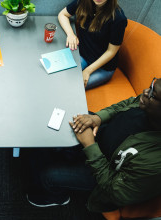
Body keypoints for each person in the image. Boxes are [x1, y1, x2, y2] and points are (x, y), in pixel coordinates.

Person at [26, 77, 161, 213]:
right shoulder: (147, 103)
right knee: (54, 126)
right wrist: (98, 117)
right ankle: (65, 155)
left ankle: (56, 197)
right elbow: (129, 103)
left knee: (47, 176)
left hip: (103, 172)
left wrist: (89, 145)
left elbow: (114, 193)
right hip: (100, 136)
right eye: (151, 85)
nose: (145, 91)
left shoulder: (155, 163)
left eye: (152, 94)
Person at [58, 0, 127, 89]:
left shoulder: (118, 18)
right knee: (59, 79)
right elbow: (62, 14)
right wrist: (71, 34)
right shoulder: (84, 2)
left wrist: (88, 71)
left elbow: (111, 52)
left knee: (73, 88)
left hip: (103, 67)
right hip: (83, 55)